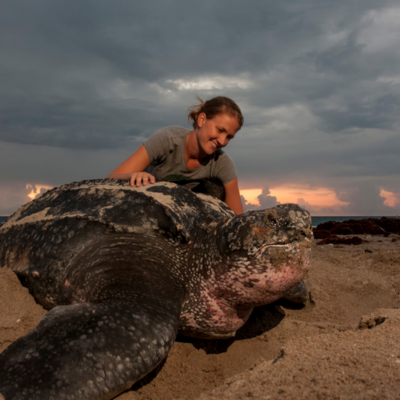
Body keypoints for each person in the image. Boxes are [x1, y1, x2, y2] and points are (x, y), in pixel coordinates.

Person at [107, 96, 244, 214]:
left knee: (217, 188)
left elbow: (237, 219)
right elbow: (108, 181)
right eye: (220, 130)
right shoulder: (167, 139)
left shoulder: (222, 163)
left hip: (189, 218)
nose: (222, 141)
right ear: (202, 119)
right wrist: (133, 176)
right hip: (148, 210)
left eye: (229, 137)